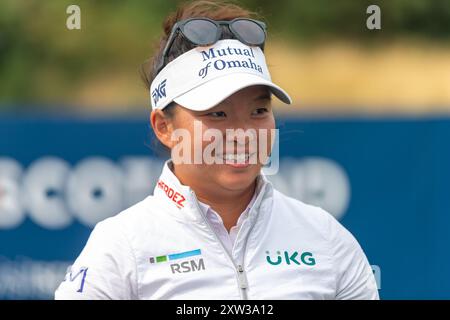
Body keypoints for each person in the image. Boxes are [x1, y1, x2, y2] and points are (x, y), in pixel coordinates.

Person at [55, 0, 379, 300]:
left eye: (259, 111)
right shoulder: (121, 246)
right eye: (217, 114)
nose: (243, 134)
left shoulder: (325, 238)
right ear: (164, 127)